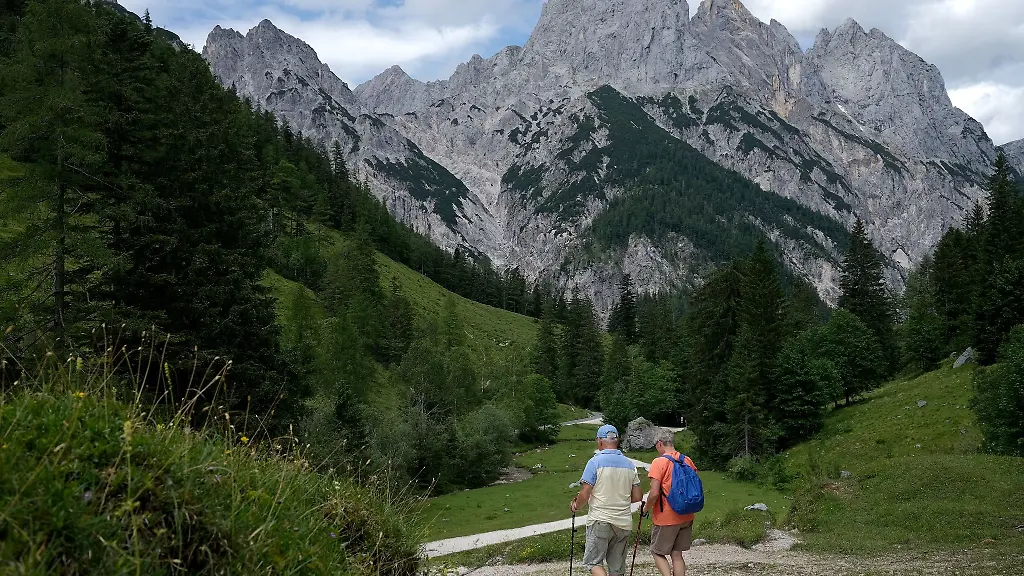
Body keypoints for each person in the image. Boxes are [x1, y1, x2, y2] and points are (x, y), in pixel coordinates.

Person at [570, 424, 643, 576]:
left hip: (600, 519)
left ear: (600, 441)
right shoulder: (630, 465)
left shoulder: (594, 463)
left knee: (593, 563)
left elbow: (585, 493)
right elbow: (637, 497)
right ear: (617, 441)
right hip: (623, 522)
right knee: (616, 569)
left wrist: (576, 506)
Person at [644, 429, 699, 576]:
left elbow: (654, 493)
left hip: (667, 517)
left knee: (657, 552)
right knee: (677, 553)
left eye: (656, 445)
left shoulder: (659, 462)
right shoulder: (687, 460)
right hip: (687, 515)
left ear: (660, 443)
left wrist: (646, 508)